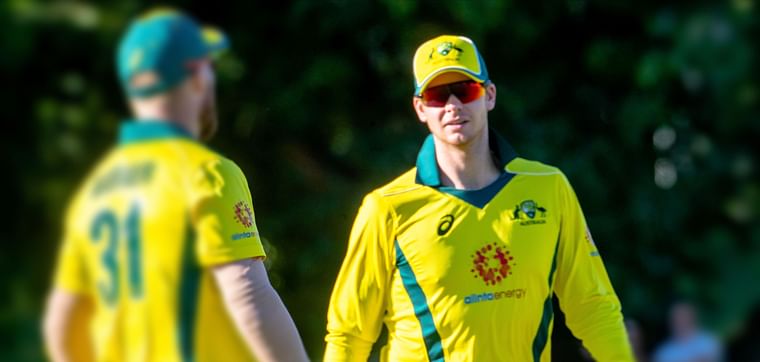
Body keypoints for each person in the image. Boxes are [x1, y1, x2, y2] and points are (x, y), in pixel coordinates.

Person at [324, 35, 633, 361]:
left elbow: (593, 307)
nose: (453, 106)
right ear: (420, 109)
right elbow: (349, 334)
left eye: (465, 90)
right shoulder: (387, 208)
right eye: (437, 95)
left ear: (489, 95)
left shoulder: (549, 188)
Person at [42, 8, 309, 362]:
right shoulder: (208, 174)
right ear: (198, 78)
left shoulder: (96, 191)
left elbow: (62, 321)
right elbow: (247, 294)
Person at [653, 301, 723, 362]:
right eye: (677, 317)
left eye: (684, 316)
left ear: (692, 317)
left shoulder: (709, 342)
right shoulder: (664, 352)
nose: (680, 320)